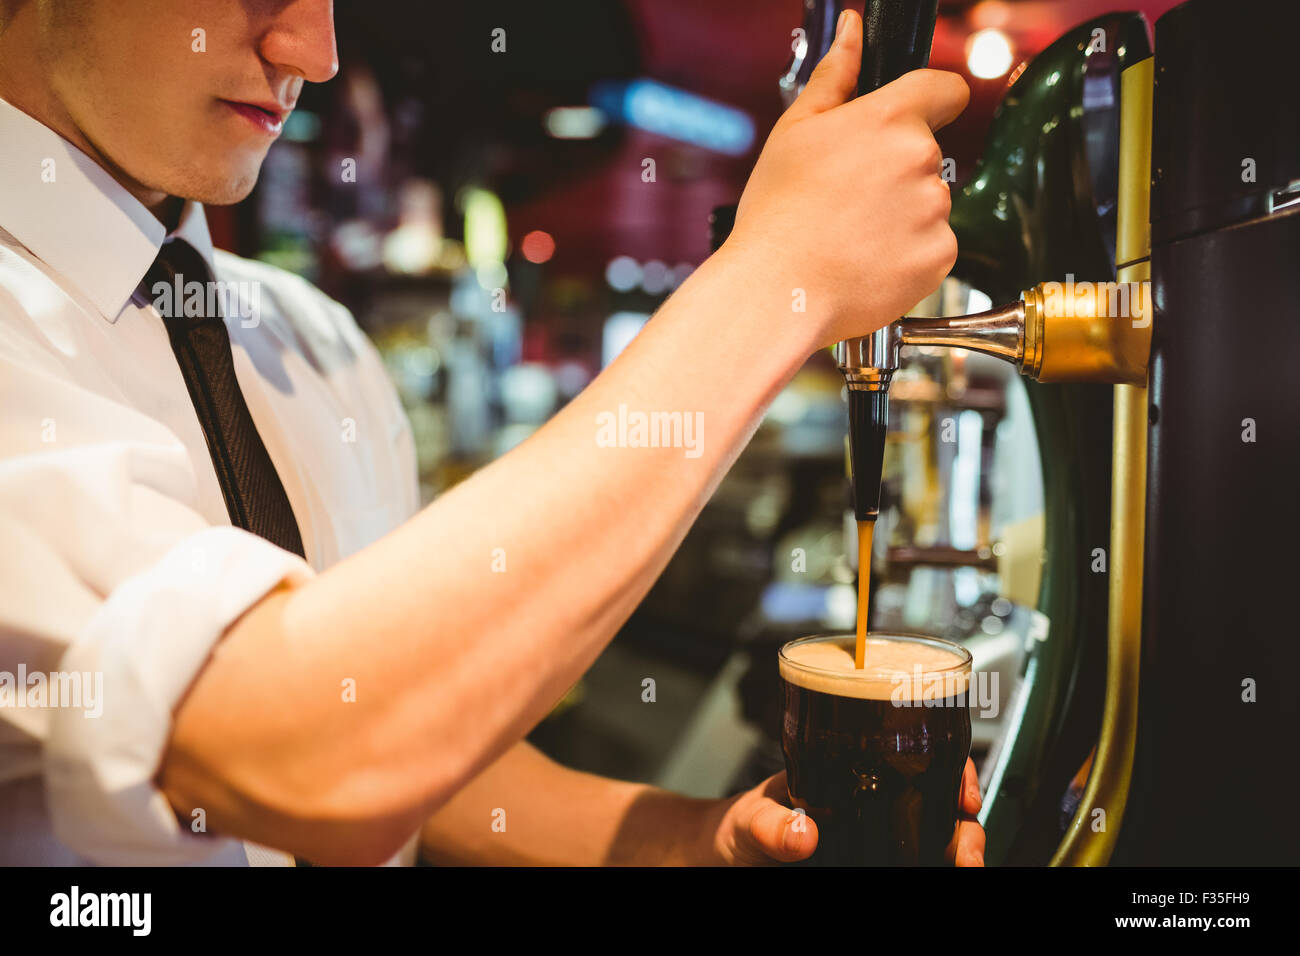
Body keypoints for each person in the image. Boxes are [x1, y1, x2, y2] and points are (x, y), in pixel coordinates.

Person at [0, 1, 984, 866]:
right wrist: (778, 275)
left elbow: (407, 736)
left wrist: (697, 842)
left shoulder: (313, 339)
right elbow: (294, 752)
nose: (317, 49)